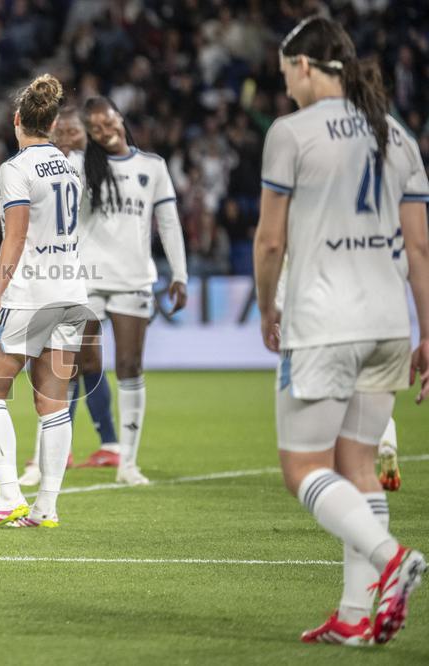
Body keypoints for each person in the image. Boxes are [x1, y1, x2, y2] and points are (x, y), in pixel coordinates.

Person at [254, 16, 429, 645]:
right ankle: (356, 616)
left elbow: (272, 238)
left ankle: (392, 561)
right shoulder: (398, 134)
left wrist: (266, 305)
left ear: (303, 66)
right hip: (388, 323)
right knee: (357, 465)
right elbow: (420, 249)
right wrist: (426, 332)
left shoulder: (291, 133)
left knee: (303, 467)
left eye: (285, 77)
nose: (286, 90)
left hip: (325, 320)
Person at [0, 74, 88, 529]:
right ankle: (46, 507)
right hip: (70, 293)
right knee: (53, 402)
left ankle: (7, 496)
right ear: (54, 123)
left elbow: (15, 238)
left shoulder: (15, 169)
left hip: (29, 294)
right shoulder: (69, 166)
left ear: (16, 120)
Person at [63, 96, 187, 486]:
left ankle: (128, 464)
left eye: (109, 122)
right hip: (88, 280)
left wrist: (179, 274)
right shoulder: (81, 166)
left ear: (120, 119)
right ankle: (54, 454)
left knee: (131, 367)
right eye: (95, 128)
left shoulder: (153, 166)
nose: (105, 131)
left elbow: (168, 222)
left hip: (134, 279)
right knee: (82, 365)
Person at [19, 105, 119, 486]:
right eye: (63, 130)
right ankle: (88, 444)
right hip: (65, 274)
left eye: (76, 130)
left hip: (81, 275)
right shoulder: (59, 162)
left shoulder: (84, 163)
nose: (69, 136)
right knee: (74, 360)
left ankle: (97, 444)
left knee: (78, 358)